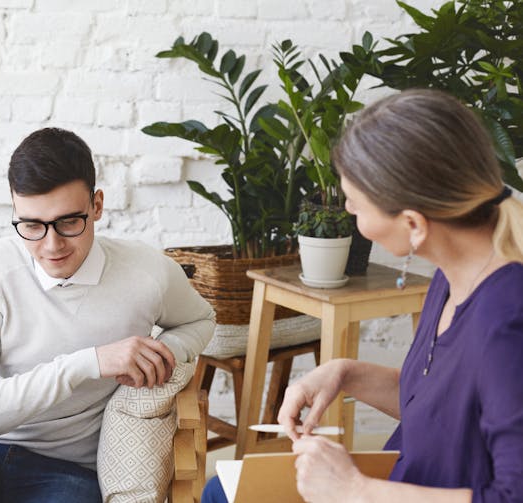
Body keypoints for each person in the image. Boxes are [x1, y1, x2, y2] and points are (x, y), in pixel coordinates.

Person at [202, 89, 523, 502]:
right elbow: (447, 416)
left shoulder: (505, 321)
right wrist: (346, 373)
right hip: (398, 483)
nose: (349, 215)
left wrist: (355, 490)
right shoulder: (453, 275)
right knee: (220, 491)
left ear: (413, 223)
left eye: (355, 206)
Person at [0, 127, 216, 503]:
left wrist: (161, 351)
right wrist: (86, 364)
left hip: (66, 474)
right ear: (15, 211)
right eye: (31, 226)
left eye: (68, 222)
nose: (51, 245)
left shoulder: (147, 272)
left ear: (97, 206)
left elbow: (201, 319)